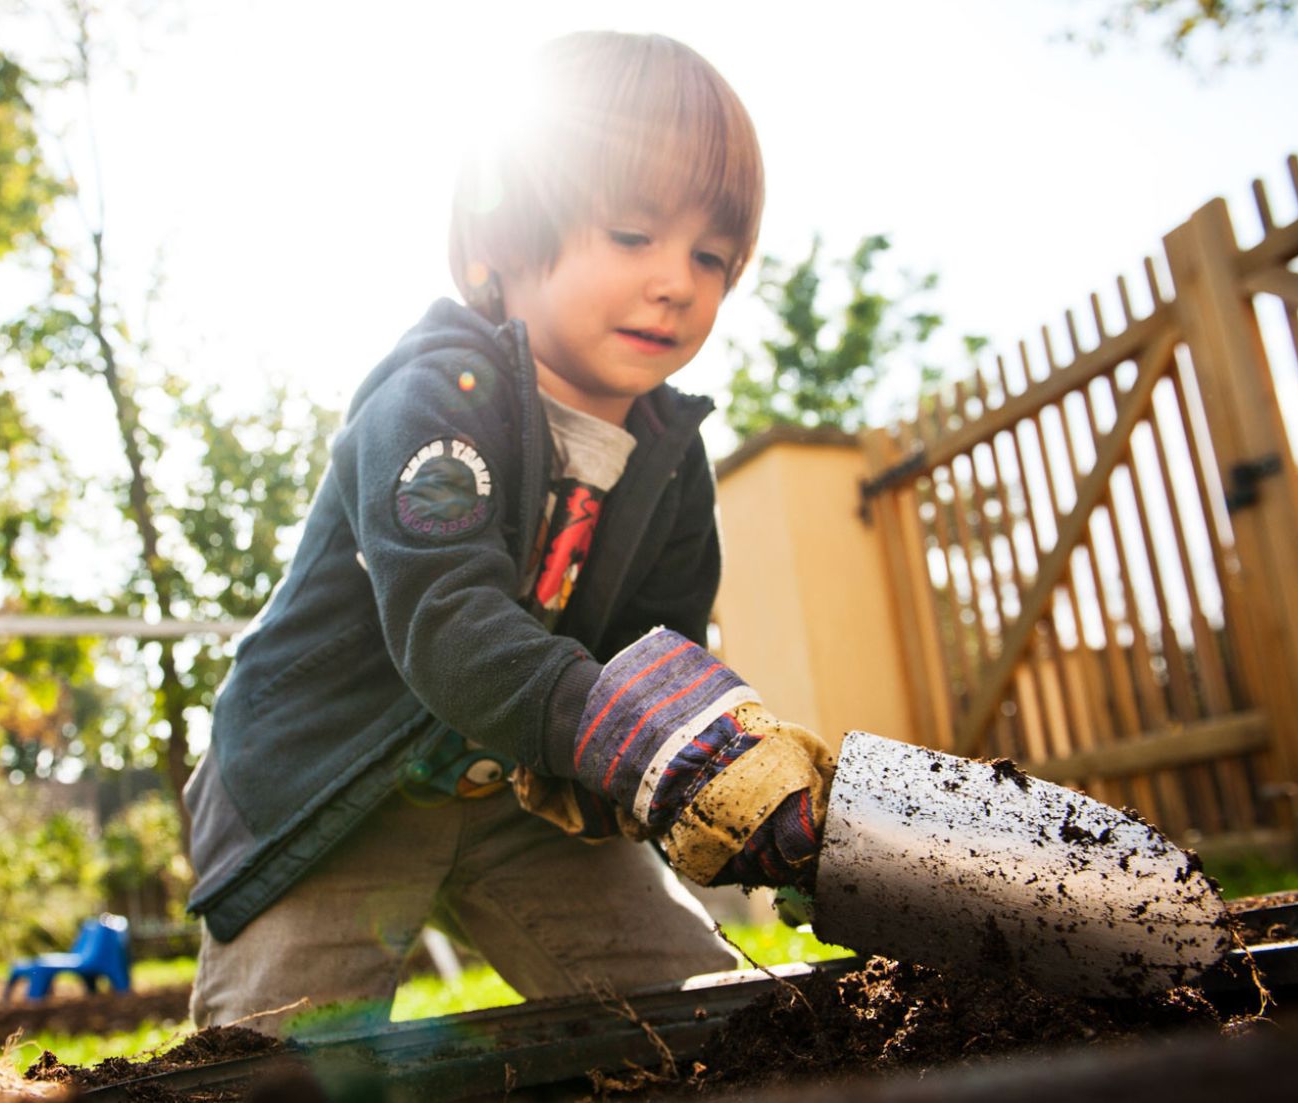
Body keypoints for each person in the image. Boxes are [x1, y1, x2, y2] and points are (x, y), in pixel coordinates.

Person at [184, 31, 832, 1032]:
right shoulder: (439, 394)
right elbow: (448, 621)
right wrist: (634, 731)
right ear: (501, 243)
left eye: (710, 254)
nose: (677, 280)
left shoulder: (668, 460)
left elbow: (652, 653)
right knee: (279, 1059)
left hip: (522, 801)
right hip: (332, 787)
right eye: (632, 236)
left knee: (717, 1023)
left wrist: (702, 777)